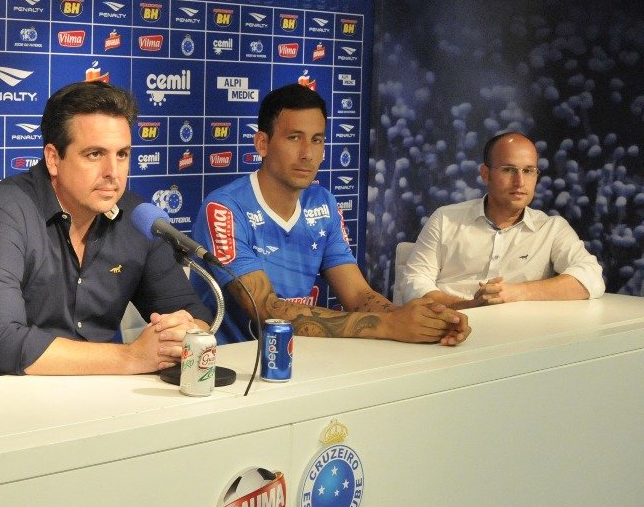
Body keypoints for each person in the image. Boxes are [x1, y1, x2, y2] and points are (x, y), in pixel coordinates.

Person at [0, 81, 211, 386]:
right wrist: (132, 357)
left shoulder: (137, 218)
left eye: (122, 154)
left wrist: (183, 334)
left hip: (80, 401)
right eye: (95, 154)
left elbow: (192, 312)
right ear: (54, 158)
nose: (113, 171)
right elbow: (1, 342)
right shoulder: (3, 213)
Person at [188, 83, 471, 345]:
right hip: (234, 365)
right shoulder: (225, 208)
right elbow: (267, 310)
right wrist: (389, 326)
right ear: (262, 143)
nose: (307, 154)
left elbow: (359, 295)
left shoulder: (322, 203)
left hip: (304, 356)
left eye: (317, 140)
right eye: (294, 138)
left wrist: (422, 320)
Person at [397, 131, 605, 308]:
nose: (520, 181)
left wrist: (514, 293)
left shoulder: (552, 228)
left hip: (518, 340)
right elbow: (414, 282)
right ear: (485, 174)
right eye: (508, 170)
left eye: (528, 171)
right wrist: (466, 307)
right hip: (447, 327)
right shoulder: (446, 219)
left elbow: (591, 277)